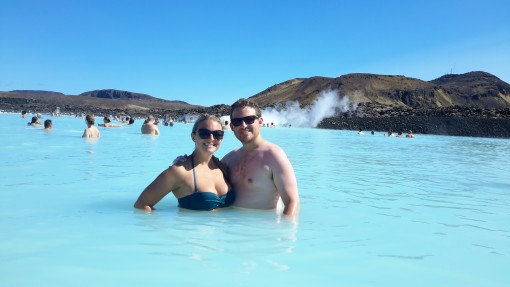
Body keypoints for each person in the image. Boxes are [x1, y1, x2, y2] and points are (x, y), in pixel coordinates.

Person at [134, 114, 234, 211]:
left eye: (217, 134)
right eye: (204, 133)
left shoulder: (222, 166)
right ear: (193, 136)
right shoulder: (179, 171)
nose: (211, 138)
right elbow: (141, 205)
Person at [222, 98, 299, 217]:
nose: (243, 125)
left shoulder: (274, 155)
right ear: (232, 127)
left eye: (249, 119)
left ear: (260, 121)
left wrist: (286, 231)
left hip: (263, 230)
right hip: (230, 228)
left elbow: (292, 202)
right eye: (237, 122)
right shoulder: (228, 159)